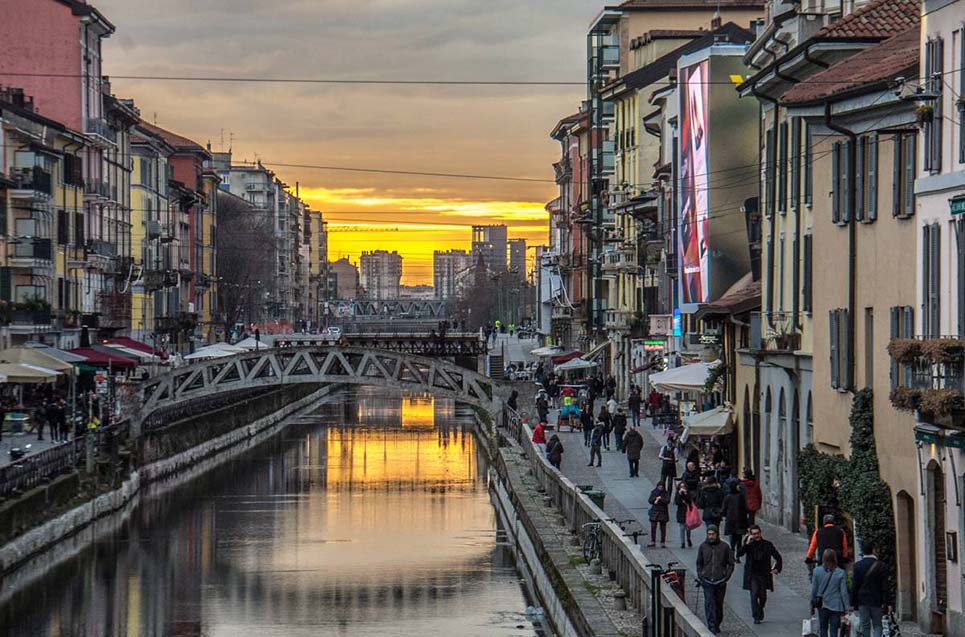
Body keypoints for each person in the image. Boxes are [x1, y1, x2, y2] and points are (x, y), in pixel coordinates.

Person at [736, 524, 783, 625]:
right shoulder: (748, 545)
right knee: (754, 594)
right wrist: (746, 544)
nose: (756, 536)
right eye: (754, 534)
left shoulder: (767, 544)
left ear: (760, 533)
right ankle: (756, 616)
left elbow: (778, 557)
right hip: (752, 574)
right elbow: (739, 554)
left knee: (763, 596)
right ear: (750, 535)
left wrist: (776, 568)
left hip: (764, 574)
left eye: (757, 533)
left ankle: (760, 609)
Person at [696, 525, 734, 635]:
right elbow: (699, 562)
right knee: (709, 604)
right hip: (707, 580)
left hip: (720, 580)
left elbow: (731, 563)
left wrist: (726, 576)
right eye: (709, 534)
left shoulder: (725, 547)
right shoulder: (703, 547)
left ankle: (717, 623)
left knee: (718, 604)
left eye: (713, 534)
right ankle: (711, 625)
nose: (711, 536)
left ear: (717, 534)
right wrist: (700, 575)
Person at [852, 541, 890, 637]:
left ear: (863, 552)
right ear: (873, 550)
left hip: (862, 600)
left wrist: (852, 602)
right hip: (877, 599)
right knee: (877, 625)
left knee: (865, 625)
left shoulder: (857, 566)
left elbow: (855, 586)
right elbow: (885, 586)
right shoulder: (882, 565)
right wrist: (888, 602)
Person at [810, 548, 850, 637]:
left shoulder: (817, 571)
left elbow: (814, 589)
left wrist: (811, 604)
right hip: (836, 605)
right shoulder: (840, 572)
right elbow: (844, 592)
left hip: (822, 604)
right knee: (834, 630)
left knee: (823, 628)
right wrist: (847, 608)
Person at [722, 482, 748, 560]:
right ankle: (738, 556)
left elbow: (724, 508)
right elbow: (744, 508)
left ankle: (732, 552)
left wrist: (724, 514)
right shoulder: (741, 496)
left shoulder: (728, 497)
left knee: (732, 538)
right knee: (739, 538)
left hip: (730, 520)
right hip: (740, 520)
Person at [648, 481, 671, 548]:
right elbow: (650, 500)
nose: (660, 488)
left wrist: (661, 499)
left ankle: (662, 542)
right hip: (655, 511)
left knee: (663, 528)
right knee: (653, 527)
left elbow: (667, 501)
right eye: (659, 486)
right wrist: (655, 499)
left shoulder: (665, 493)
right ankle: (653, 541)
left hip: (663, 512)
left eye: (661, 487)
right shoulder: (654, 492)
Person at [674, 482, 695, 548]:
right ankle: (682, 542)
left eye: (683, 487)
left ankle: (688, 539)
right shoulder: (678, 493)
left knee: (688, 528)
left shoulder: (688, 493)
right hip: (681, 512)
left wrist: (686, 494)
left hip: (688, 511)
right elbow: (677, 502)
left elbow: (690, 501)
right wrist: (679, 494)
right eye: (681, 487)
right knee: (682, 528)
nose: (682, 488)